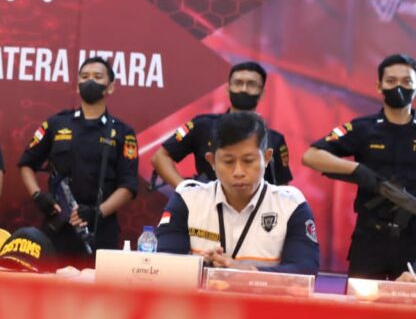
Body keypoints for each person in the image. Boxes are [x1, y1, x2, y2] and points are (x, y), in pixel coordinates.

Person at [156, 112, 319, 274]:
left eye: (248, 161)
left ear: (267, 158)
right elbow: (163, 263)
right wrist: (202, 266)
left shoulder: (291, 205)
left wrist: (245, 271)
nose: (238, 172)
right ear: (212, 161)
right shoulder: (187, 199)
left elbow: (305, 270)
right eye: (228, 162)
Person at [302, 53, 416, 280]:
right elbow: (311, 156)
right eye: (391, 81)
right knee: (361, 301)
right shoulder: (363, 128)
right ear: (379, 86)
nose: (399, 87)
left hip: (413, 238)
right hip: (370, 240)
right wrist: (358, 171)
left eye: (407, 82)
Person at [18, 57, 138, 263]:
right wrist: (38, 196)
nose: (90, 81)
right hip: (57, 228)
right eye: (84, 76)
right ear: (77, 85)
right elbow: (26, 164)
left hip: (100, 230)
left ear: (110, 87)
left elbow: (128, 186)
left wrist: (97, 212)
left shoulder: (122, 132)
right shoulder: (56, 124)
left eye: (97, 77)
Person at [152, 62, 293, 188]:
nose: (243, 89)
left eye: (251, 84)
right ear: (227, 88)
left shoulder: (275, 140)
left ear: (262, 93)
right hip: (207, 206)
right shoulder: (201, 125)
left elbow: (282, 188)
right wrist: (185, 191)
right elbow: (160, 157)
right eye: (238, 83)